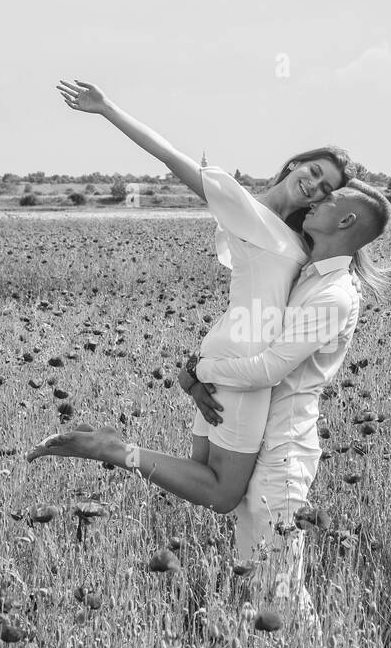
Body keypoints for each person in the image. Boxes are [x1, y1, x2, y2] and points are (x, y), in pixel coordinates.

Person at [35, 183, 391, 629]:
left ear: (345, 222)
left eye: (327, 202)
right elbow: (244, 322)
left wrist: (203, 371)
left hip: (282, 445)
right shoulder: (304, 270)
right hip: (249, 419)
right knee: (226, 513)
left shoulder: (334, 293)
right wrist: (194, 373)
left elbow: (269, 369)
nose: (315, 203)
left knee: (278, 579)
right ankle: (114, 450)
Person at [27, 78, 350, 516]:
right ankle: (111, 450)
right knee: (221, 494)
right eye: (313, 171)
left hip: (226, 348)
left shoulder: (297, 234)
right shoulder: (243, 208)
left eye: (327, 187)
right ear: (295, 163)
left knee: (197, 473)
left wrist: (197, 369)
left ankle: (113, 448)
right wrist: (108, 109)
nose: (316, 186)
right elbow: (169, 156)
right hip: (248, 360)